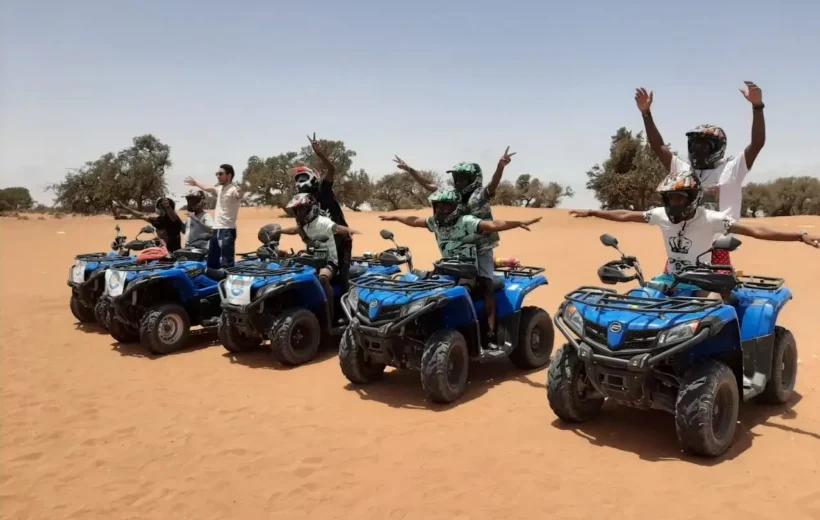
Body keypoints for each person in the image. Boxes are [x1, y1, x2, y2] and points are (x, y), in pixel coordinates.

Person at [569, 172, 819, 296]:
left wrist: (798, 236)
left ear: (692, 199)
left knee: (685, 324)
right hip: (669, 278)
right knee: (639, 300)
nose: (673, 203)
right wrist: (593, 212)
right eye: (669, 198)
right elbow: (626, 215)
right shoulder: (661, 215)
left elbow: (755, 229)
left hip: (700, 282)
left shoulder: (712, 219)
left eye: (678, 197)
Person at [380, 188, 541, 350]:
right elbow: (414, 221)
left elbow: (492, 224)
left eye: (446, 206)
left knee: (472, 293)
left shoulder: (466, 221)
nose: (442, 210)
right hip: (444, 268)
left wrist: (517, 223)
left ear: (455, 207)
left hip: (467, 270)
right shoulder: (435, 223)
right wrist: (395, 216)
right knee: (421, 289)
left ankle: (490, 333)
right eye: (438, 206)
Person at [634, 81, 766, 267]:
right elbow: (658, 146)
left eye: (705, 145)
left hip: (717, 247)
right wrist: (646, 114)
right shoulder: (683, 171)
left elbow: (757, 143)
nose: (699, 150)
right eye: (695, 145)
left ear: (718, 148)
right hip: (684, 245)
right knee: (668, 290)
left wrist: (757, 107)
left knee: (715, 294)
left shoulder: (732, 170)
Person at [394, 147, 515, 347]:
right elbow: (429, 184)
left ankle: (491, 333)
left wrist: (500, 166)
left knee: (485, 286)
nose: (459, 182)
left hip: (482, 246)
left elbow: (494, 183)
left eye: (463, 178)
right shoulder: (451, 195)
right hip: (458, 248)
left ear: (473, 179)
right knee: (442, 279)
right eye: (457, 178)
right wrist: (409, 170)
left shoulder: (480, 195)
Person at [279, 193, 359, 321]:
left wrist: (349, 231)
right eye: (297, 210)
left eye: (302, 209)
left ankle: (331, 316)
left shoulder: (323, 222)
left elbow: (336, 228)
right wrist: (279, 231)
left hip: (329, 261)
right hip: (313, 259)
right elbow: (294, 230)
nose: (299, 213)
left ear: (311, 208)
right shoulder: (303, 225)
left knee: (323, 278)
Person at [290, 133, 354, 291]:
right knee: (313, 272)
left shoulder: (322, 189)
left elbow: (332, 169)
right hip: (320, 241)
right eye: (297, 179)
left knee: (341, 275)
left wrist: (320, 153)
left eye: (303, 177)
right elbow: (300, 224)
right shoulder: (303, 200)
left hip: (340, 239)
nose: (299, 182)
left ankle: (345, 309)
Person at [184, 164, 244, 268]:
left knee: (227, 262)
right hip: (216, 229)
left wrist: (240, 192)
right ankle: (213, 280)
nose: (218, 176)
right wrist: (196, 183)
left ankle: (226, 282)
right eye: (217, 174)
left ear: (229, 176)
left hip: (227, 230)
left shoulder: (233, 189)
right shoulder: (219, 188)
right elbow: (208, 188)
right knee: (212, 261)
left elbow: (239, 195)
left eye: (220, 174)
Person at [113, 197, 183, 252]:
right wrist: (125, 207)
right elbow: (141, 215)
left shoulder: (175, 220)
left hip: (174, 253)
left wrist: (168, 207)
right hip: (162, 252)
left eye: (164, 206)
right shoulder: (158, 220)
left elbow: (173, 217)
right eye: (162, 206)